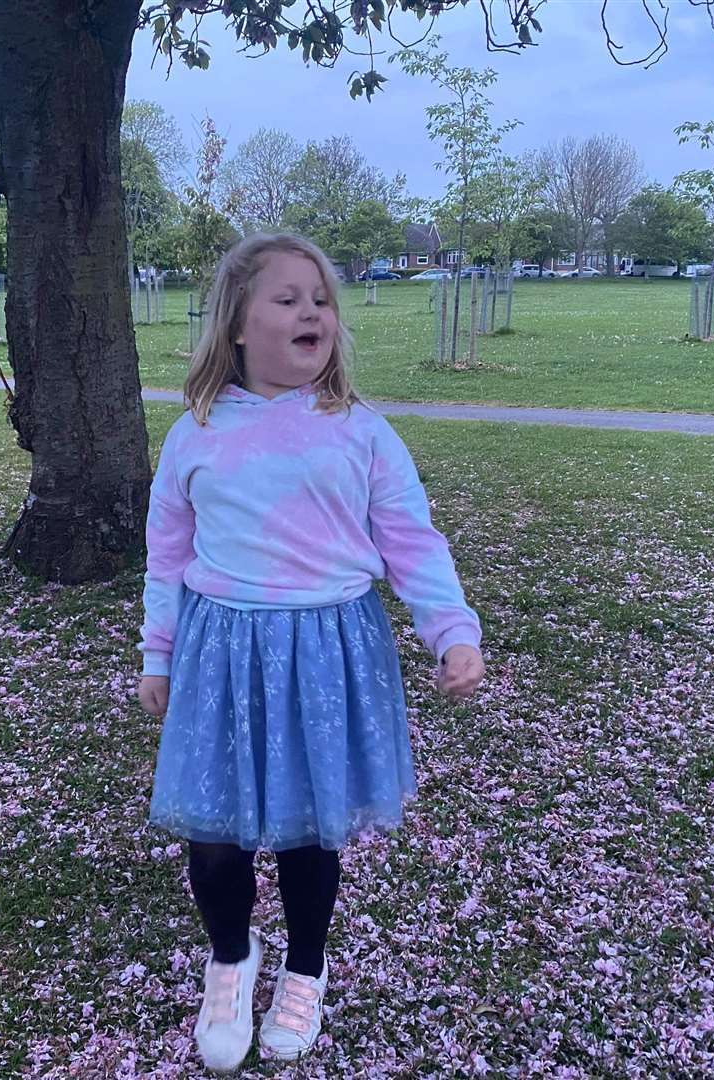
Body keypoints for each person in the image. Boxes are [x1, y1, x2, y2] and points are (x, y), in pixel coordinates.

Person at [135, 232, 485, 1073]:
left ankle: (304, 967)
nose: (310, 313)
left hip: (328, 649)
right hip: (221, 651)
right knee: (214, 829)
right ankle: (230, 957)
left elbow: (410, 540)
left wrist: (452, 628)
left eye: (320, 300)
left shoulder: (360, 432)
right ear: (238, 326)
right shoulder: (196, 433)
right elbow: (167, 554)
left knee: (306, 829)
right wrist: (159, 652)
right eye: (286, 299)